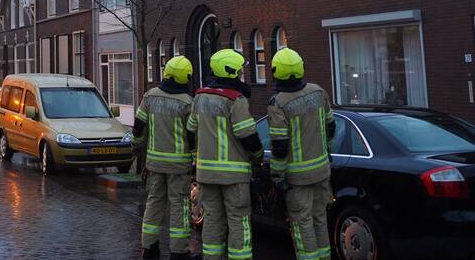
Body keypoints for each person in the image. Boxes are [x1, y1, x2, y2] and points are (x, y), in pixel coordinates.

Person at [188, 49, 263, 260]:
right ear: (231, 71)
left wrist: (196, 157)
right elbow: (247, 136)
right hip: (234, 177)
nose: (241, 74)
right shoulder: (235, 100)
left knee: (212, 220)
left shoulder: (200, 97)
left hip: (206, 176)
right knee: (239, 221)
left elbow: (190, 130)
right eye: (239, 70)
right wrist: (257, 156)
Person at [267, 48, 335, 260]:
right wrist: (325, 152)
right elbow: (331, 128)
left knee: (301, 222)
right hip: (322, 171)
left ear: (276, 72)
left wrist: (276, 175)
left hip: (298, 178)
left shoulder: (278, 103)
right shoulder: (318, 92)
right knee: (320, 219)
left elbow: (280, 146)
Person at [134, 54, 195, 260]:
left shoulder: (150, 96)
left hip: (154, 164)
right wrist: (195, 158)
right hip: (179, 166)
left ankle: (149, 248)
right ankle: (179, 252)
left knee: (154, 203)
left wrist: (140, 153)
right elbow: (192, 135)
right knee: (179, 206)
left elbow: (138, 128)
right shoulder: (188, 103)